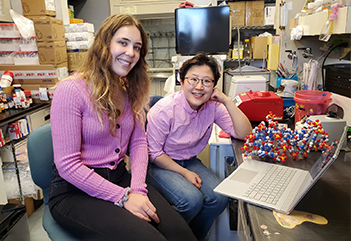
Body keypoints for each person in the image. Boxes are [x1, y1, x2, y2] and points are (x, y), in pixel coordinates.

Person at [49, 13, 197, 241]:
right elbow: (67, 165)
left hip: (119, 178)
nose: (131, 53)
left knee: (181, 234)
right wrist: (123, 197)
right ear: (104, 44)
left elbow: (138, 144)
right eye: (123, 43)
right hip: (74, 192)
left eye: (137, 47)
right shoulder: (71, 90)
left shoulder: (128, 89)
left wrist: (137, 189)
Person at [146, 53, 252, 240]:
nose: (199, 87)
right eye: (193, 79)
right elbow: (154, 153)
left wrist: (227, 100)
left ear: (214, 86)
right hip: (159, 163)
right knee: (191, 201)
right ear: (182, 80)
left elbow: (244, 133)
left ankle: (192, 237)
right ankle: (163, 236)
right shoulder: (164, 110)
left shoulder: (213, 106)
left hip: (189, 160)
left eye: (207, 81)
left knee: (219, 198)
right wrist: (184, 173)